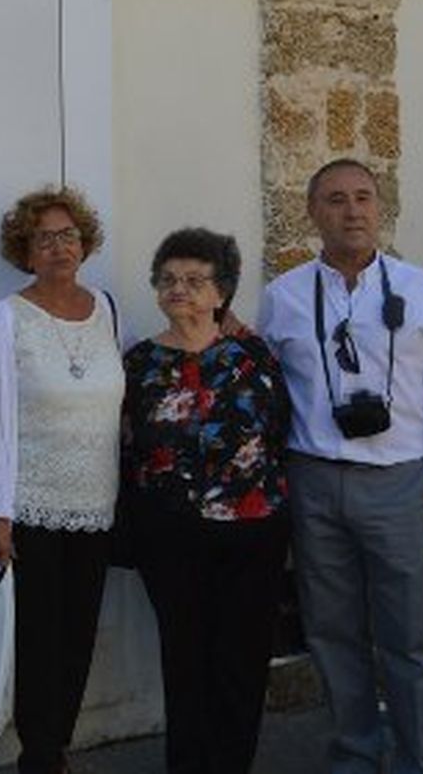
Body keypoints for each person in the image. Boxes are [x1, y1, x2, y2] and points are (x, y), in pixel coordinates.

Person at [257, 159, 423, 774]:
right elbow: (266, 393)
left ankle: (419, 761)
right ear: (312, 213)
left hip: (401, 483)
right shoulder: (282, 298)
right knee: (331, 634)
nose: (351, 210)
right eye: (335, 199)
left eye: (363, 197)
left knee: (410, 638)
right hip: (314, 483)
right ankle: (356, 753)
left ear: (380, 209)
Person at [121, 228, 292, 774]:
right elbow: (123, 445)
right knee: (186, 662)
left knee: (241, 664)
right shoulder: (138, 363)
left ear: (221, 293)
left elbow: (281, 430)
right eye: (168, 280)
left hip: (254, 532)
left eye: (196, 280)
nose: (180, 290)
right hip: (170, 537)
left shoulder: (255, 357)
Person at [0, 186, 124, 774]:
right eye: (44, 238)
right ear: (25, 250)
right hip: (30, 506)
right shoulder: (5, 320)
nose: (59, 247)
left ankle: (56, 747)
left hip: (96, 504)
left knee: (79, 637)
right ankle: (38, 757)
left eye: (68, 236)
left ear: (83, 244)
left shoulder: (108, 309)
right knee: (39, 641)